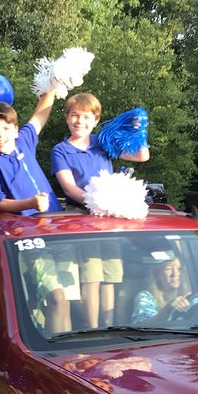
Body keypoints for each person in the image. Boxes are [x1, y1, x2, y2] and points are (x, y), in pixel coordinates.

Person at [50, 92, 150, 328]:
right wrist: (98, 201)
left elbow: (141, 156)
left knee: (111, 278)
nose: (79, 121)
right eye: (74, 115)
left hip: (109, 219)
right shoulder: (60, 150)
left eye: (86, 117)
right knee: (92, 277)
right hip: (82, 219)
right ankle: (94, 330)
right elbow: (70, 188)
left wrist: (140, 130)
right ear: (66, 118)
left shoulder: (103, 143)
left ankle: (110, 326)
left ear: (95, 120)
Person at [0, 90, 71, 331]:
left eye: (6, 129)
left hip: (57, 229)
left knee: (67, 302)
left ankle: (70, 354)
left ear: (16, 130)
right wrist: (29, 204)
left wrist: (53, 85)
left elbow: (40, 115)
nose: (0, 135)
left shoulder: (24, 141)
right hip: (29, 238)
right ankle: (48, 355)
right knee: (56, 298)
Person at [130, 252, 191, 325]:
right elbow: (143, 327)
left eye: (179, 268)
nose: (175, 274)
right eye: (168, 269)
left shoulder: (191, 295)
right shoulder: (146, 297)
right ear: (157, 274)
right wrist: (167, 309)